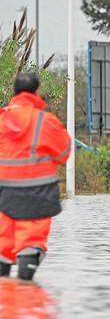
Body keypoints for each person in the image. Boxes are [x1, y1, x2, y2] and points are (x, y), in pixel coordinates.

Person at [0, 73, 71, 280]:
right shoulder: (45, 121)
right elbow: (63, 154)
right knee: (30, 245)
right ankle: (27, 297)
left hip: (2, 193)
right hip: (37, 193)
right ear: (36, 91)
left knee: (2, 245)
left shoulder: (2, 119)